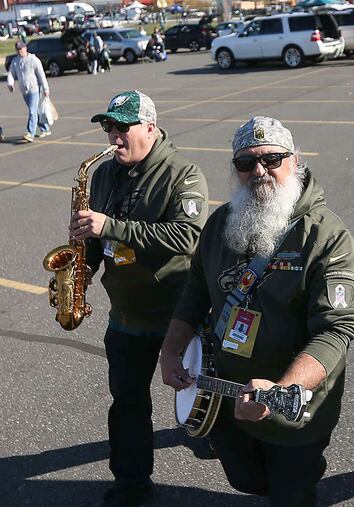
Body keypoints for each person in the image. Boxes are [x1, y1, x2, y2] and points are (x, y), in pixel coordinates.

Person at [160, 116, 354, 507]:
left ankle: (300, 475)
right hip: (225, 395)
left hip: (294, 409)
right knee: (246, 479)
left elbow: (335, 331)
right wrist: (171, 348)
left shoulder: (327, 237)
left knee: (289, 493)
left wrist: (283, 390)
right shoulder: (221, 223)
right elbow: (196, 290)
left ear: (295, 160)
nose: (259, 171)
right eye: (245, 163)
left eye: (272, 159)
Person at [69, 90, 209, 507]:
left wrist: (111, 227)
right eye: (108, 126)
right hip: (127, 316)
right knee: (128, 404)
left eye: (121, 127)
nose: (113, 135)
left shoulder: (183, 173)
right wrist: (82, 270)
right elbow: (95, 236)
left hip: (178, 315)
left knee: (201, 400)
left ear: (150, 127)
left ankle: (229, 449)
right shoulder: (105, 173)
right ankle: (132, 484)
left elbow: (186, 236)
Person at [6, 41, 51, 143]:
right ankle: (45, 128)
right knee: (35, 111)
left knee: (32, 111)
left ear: (25, 48)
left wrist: (46, 88)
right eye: (18, 49)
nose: (19, 51)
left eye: (21, 48)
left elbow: (41, 75)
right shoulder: (15, 61)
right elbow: (11, 73)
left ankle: (30, 133)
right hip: (24, 91)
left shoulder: (33, 60)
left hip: (34, 89)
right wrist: (10, 84)